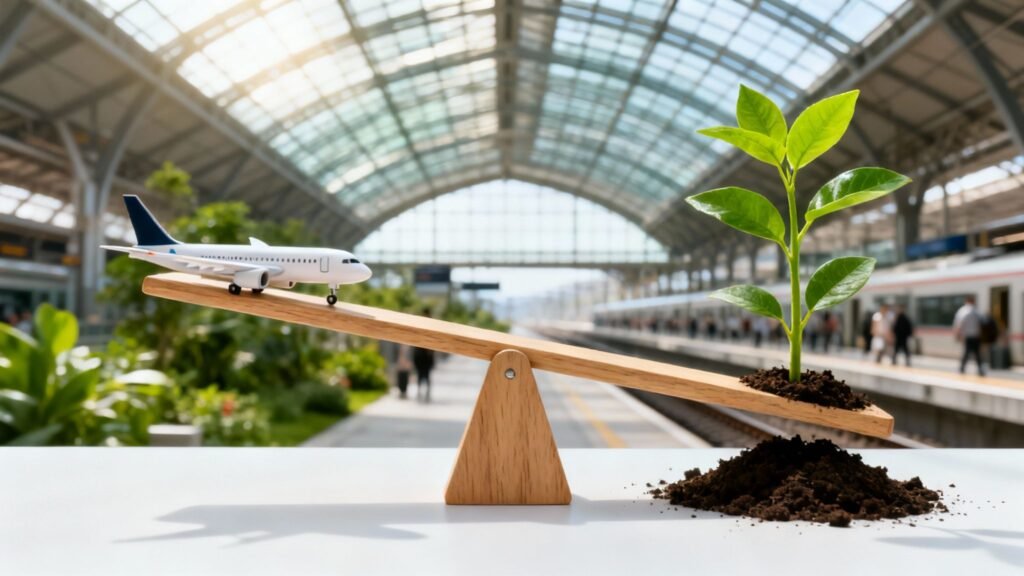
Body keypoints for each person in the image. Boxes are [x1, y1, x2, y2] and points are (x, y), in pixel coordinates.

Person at [953, 296, 985, 376]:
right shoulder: (977, 311)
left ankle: (962, 368)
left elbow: (959, 324)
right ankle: (980, 369)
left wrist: (958, 335)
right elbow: (981, 324)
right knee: (977, 354)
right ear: (973, 301)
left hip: (967, 336)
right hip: (976, 336)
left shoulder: (963, 311)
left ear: (966, 301)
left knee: (966, 353)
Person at [413, 307, 436, 402]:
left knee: (427, 374)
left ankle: (427, 392)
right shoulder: (419, 324)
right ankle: (419, 391)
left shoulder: (432, 326)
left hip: (427, 355)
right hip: (420, 354)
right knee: (419, 374)